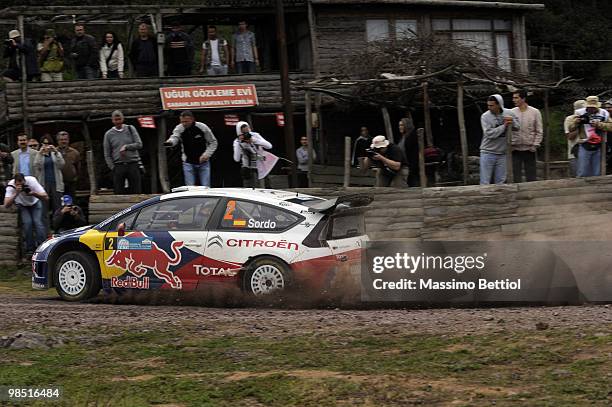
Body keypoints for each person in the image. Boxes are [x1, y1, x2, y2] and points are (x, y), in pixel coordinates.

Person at [164, 111, 218, 187]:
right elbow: (175, 137)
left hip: (203, 161)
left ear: (192, 119)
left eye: (186, 121)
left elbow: (213, 142)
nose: (184, 124)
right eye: (182, 121)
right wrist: (170, 142)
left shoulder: (202, 127)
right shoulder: (179, 128)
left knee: (206, 186)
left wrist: (207, 154)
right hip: (188, 162)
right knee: (190, 187)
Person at [3, 173, 48, 257]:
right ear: (15, 182)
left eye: (22, 184)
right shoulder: (11, 185)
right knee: (28, 224)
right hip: (22, 205)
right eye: (18, 184)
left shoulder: (32, 181)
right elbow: (6, 204)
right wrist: (16, 193)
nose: (20, 186)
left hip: (35, 202)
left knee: (37, 223)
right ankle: (30, 249)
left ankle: (43, 247)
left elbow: (46, 197)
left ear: (25, 181)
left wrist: (33, 193)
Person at [479, 94, 519, 185]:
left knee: (500, 181)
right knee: (485, 181)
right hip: (488, 152)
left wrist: (511, 122)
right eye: (488, 105)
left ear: (499, 105)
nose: (489, 107)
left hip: (502, 153)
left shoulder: (509, 113)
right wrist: (504, 126)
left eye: (492, 105)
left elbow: (518, 127)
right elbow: (489, 134)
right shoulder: (485, 116)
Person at [103, 110, 143, 194]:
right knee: (119, 191)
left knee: (136, 191)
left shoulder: (130, 129)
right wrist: (112, 167)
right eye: (116, 119)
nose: (118, 121)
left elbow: (139, 144)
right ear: (112, 120)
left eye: (119, 119)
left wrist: (127, 147)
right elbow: (107, 153)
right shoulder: (108, 134)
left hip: (133, 164)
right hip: (118, 166)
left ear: (123, 119)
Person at [572, 96, 611, 177]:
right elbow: (570, 127)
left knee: (597, 172)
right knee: (583, 171)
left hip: (600, 145)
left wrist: (599, 124)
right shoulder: (579, 112)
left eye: (594, 107)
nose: (591, 109)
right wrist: (577, 122)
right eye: (589, 107)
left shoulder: (604, 113)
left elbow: (610, 126)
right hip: (584, 143)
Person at [510, 90, 543, 183]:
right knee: (516, 175)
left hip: (529, 148)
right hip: (515, 148)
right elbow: (507, 130)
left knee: (531, 175)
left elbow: (539, 130)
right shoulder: (511, 112)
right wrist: (510, 144)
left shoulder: (535, 112)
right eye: (513, 98)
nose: (514, 100)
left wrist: (535, 145)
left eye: (516, 98)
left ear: (523, 98)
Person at [233, 121, 272, 188]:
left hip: (261, 166)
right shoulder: (237, 142)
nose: (246, 135)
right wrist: (238, 145)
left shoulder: (255, 136)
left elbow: (269, 146)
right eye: (243, 133)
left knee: (265, 188)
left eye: (247, 132)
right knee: (249, 190)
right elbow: (236, 159)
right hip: (248, 168)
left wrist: (254, 140)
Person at [33, 133, 65, 215]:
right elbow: (37, 166)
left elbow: (62, 164)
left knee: (57, 205)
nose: (46, 145)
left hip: (56, 183)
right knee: (44, 206)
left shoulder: (55, 154)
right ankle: (45, 225)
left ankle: (57, 224)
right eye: (44, 143)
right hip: (44, 183)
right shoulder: (39, 154)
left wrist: (56, 152)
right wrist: (40, 153)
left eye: (48, 143)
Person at [564, 99, 587, 177]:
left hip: (588, 150)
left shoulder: (588, 118)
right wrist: (578, 125)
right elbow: (569, 137)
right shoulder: (569, 119)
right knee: (576, 176)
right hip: (574, 152)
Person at [56, 131, 81, 197]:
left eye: (65, 139)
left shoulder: (75, 152)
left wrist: (75, 177)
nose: (63, 141)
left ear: (68, 140)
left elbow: (78, 167)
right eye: (61, 140)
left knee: (71, 202)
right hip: (58, 182)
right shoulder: (54, 152)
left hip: (71, 182)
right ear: (58, 141)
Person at [397, 117, 420, 187]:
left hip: (410, 166)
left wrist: (411, 168)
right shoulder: (403, 137)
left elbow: (414, 154)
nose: (400, 127)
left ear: (407, 126)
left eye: (402, 125)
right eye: (399, 125)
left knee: (413, 186)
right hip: (404, 166)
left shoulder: (411, 136)